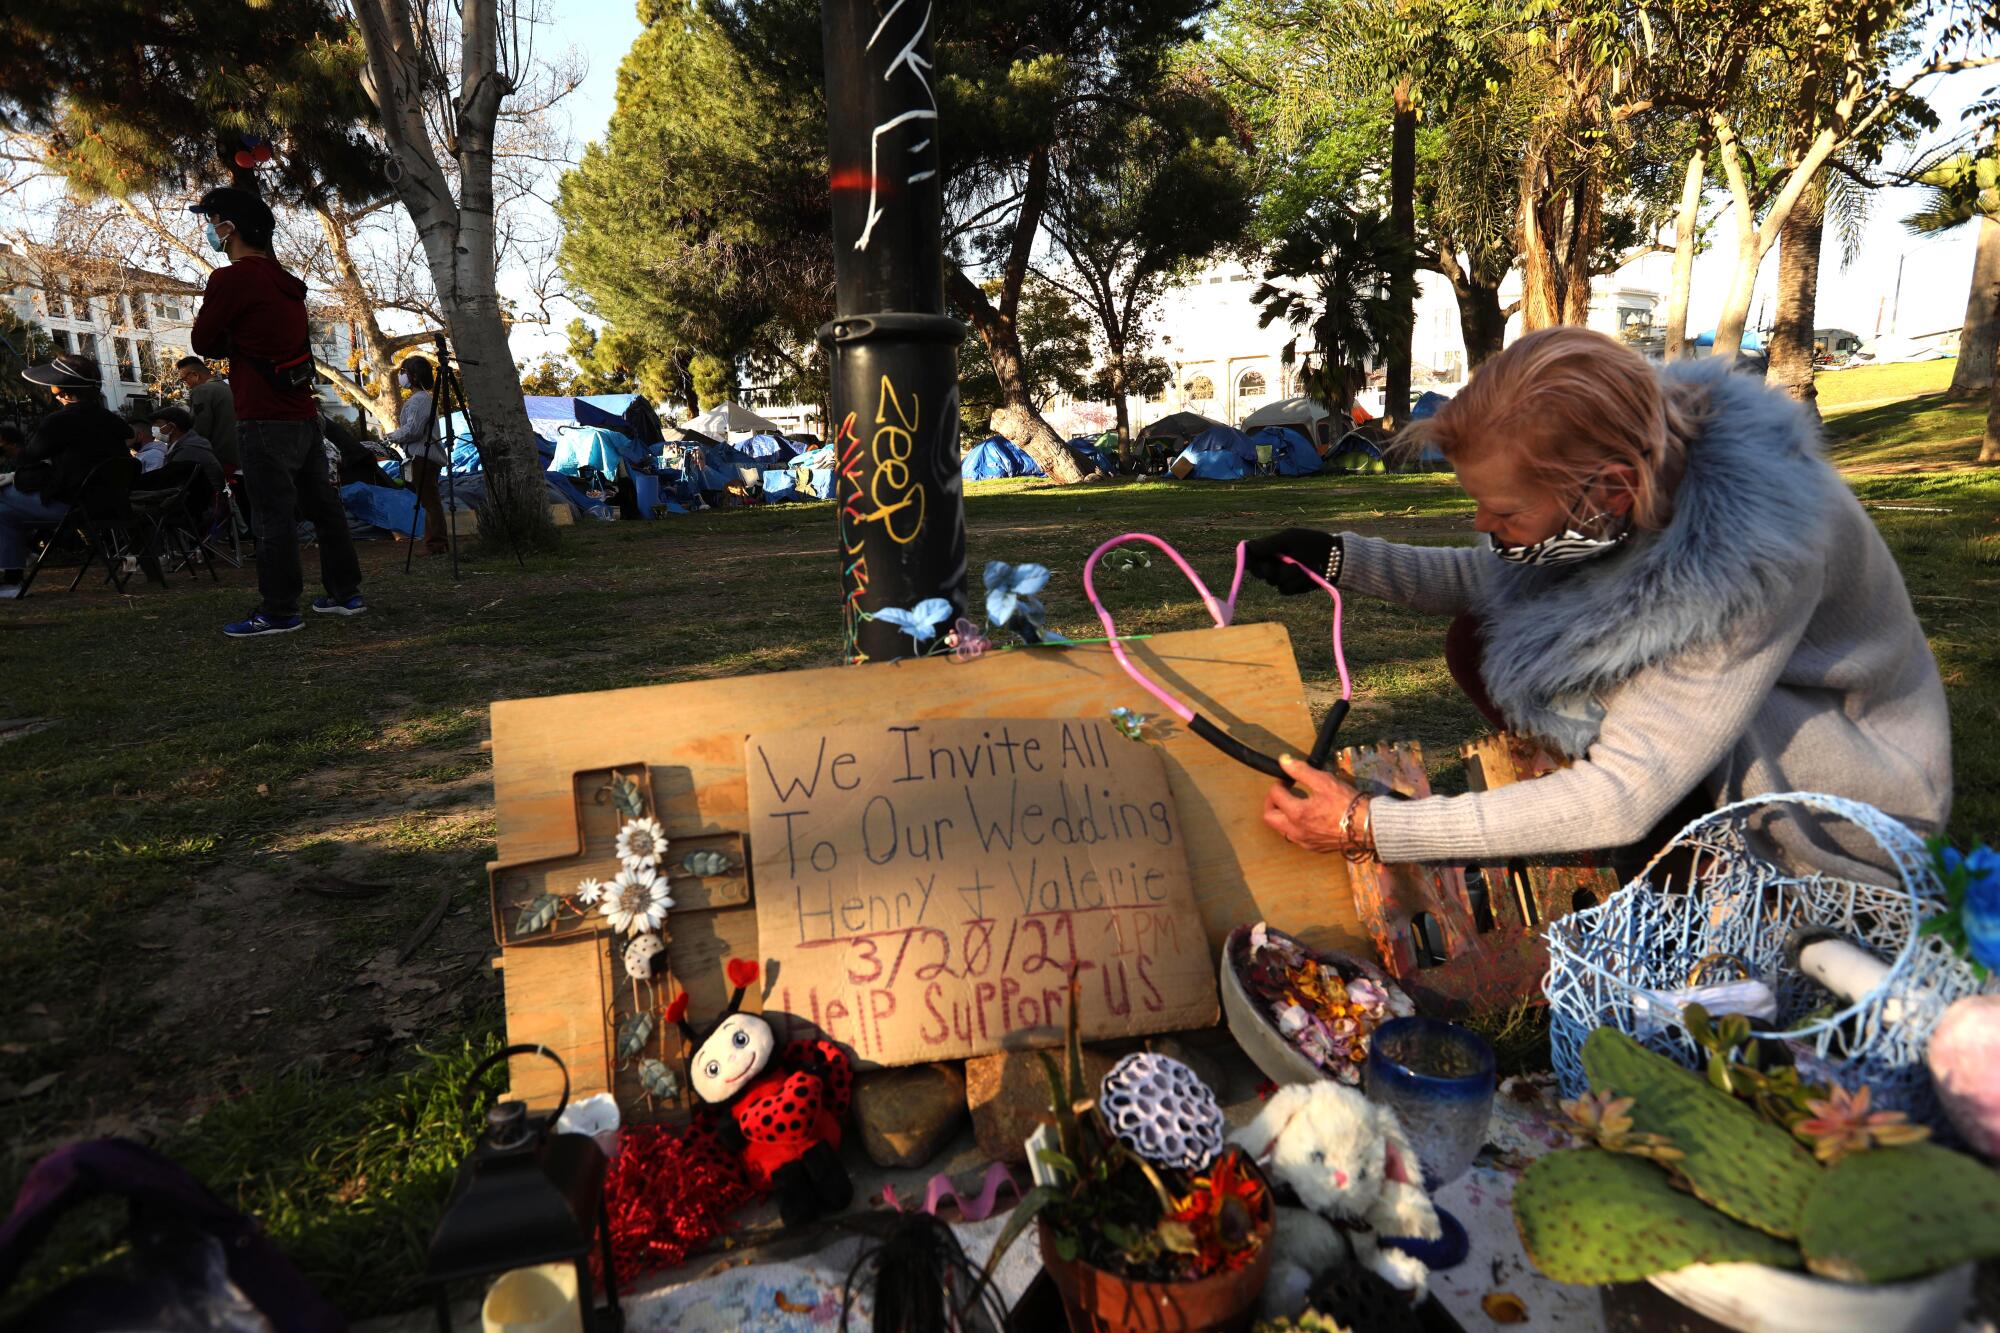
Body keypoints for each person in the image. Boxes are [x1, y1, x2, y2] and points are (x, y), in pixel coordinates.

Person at [1246, 327, 1949, 883]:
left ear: (1610, 490)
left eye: (1504, 509)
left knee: (1623, 748)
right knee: (1480, 637)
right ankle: (1664, 843)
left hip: (1852, 800)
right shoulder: (1639, 466)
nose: (1484, 525)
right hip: (1751, 733)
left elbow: (1624, 792)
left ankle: (1722, 877)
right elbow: (1497, 580)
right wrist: (1338, 557)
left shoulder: (1750, 565)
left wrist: (1369, 825)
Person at [188, 186, 364, 636]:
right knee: (325, 510)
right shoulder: (288, 283)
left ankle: (280, 610)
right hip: (302, 412)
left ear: (228, 228)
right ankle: (346, 594)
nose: (208, 230)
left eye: (211, 221)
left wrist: (232, 340)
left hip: (262, 415)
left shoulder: (232, 279)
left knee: (271, 516)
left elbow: (203, 343)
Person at [0, 354, 134, 596]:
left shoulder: (59, 421)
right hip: (113, 505)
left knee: (2, 497)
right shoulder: (111, 420)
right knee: (3, 512)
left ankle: (19, 569)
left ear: (62, 391)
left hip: (75, 507)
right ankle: (14, 574)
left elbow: (27, 457)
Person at [382, 355, 446, 555]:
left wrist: (391, 436)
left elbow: (413, 430)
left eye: (404, 372)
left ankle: (436, 545)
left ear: (415, 376)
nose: (401, 376)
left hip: (424, 456)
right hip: (420, 456)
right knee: (428, 501)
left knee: (430, 501)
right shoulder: (420, 399)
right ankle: (434, 543)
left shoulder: (421, 400)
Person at [176, 355, 239, 471]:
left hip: (220, 459)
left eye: (184, 380)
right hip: (239, 456)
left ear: (195, 375)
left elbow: (200, 430)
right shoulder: (226, 387)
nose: (185, 384)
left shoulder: (202, 391)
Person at [145, 405, 226, 493]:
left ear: (172, 426)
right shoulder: (184, 445)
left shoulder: (189, 450)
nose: (153, 427)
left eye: (157, 422)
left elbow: (169, 481)